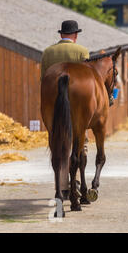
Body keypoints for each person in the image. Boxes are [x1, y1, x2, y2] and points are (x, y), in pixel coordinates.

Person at [41, 20, 89, 199]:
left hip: (53, 106)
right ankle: (76, 181)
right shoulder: (82, 52)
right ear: (75, 35)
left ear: (61, 35)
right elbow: (87, 83)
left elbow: (43, 81)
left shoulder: (48, 53)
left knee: (58, 142)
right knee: (81, 141)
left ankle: (62, 187)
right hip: (77, 106)